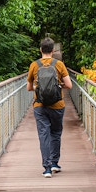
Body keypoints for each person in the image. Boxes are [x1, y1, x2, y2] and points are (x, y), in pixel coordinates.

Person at [27, 38, 73, 178]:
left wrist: (38, 87)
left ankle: (46, 169)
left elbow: (29, 88)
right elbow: (69, 85)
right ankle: (54, 163)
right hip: (57, 105)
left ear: (41, 50)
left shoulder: (34, 65)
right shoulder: (59, 64)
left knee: (44, 135)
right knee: (56, 133)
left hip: (40, 105)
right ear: (53, 51)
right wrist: (58, 86)